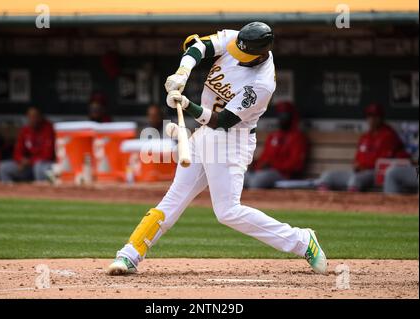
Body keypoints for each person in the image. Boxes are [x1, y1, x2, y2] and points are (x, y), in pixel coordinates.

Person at [107, 22, 327, 276]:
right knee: (174, 198)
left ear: (261, 54)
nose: (235, 55)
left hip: (232, 140)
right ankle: (129, 254)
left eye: (244, 55)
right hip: (204, 136)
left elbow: (222, 121)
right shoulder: (237, 39)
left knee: (227, 212)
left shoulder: (262, 84)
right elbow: (199, 46)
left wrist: (187, 104)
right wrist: (183, 72)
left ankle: (302, 240)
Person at [316, 103, 409, 192]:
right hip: (359, 172)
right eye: (369, 116)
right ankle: (325, 205)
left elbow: (383, 163)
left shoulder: (389, 136)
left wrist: (363, 166)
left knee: (355, 180)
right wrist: (356, 165)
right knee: (327, 176)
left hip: (374, 174)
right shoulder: (365, 136)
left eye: (375, 116)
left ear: (381, 117)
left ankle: (350, 206)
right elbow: (357, 160)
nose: (372, 119)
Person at [244, 101, 308, 189]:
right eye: (280, 115)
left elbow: (296, 164)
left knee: (256, 181)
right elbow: (265, 157)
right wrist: (254, 164)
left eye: (285, 116)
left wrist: (273, 165)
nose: (282, 118)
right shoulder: (273, 136)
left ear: (292, 117)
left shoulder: (298, 138)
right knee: (241, 176)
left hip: (283, 175)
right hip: (264, 172)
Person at [0, 107, 55, 182]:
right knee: (3, 167)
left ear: (41, 117)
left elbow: (48, 155)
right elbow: (17, 152)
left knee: (38, 167)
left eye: (35, 116)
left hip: (45, 166)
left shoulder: (49, 129)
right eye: (30, 116)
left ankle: (41, 192)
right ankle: (10, 192)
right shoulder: (25, 130)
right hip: (27, 166)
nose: (32, 119)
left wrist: (30, 161)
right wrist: (21, 160)